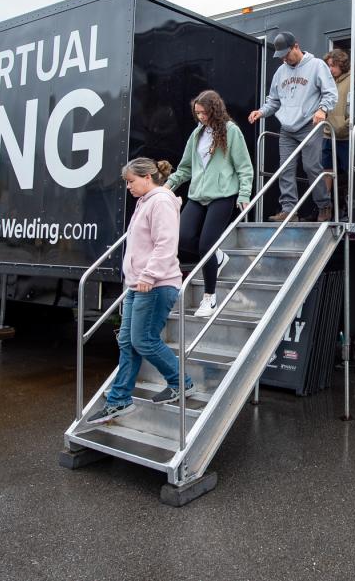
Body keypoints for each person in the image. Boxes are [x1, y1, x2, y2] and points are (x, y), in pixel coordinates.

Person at [89, 158, 192, 424]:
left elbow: (166, 244)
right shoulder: (145, 201)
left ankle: (181, 383)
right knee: (127, 341)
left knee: (143, 340)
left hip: (156, 284)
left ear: (148, 177)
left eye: (131, 181)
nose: (128, 187)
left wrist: (148, 274)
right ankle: (120, 399)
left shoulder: (160, 201)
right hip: (138, 284)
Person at [165, 90, 254, 318]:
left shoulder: (231, 131)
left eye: (204, 113)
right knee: (182, 238)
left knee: (206, 246)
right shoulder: (197, 134)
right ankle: (218, 256)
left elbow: (244, 166)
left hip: (223, 195)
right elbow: (185, 168)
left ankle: (210, 299)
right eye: (197, 113)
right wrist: (168, 186)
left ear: (214, 110)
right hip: (197, 194)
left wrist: (244, 194)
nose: (201, 117)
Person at [248, 31, 338, 222]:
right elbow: (273, 100)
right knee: (285, 168)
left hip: (309, 125)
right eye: (281, 56)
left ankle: (324, 206)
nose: (285, 59)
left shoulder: (316, 66)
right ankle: (289, 210)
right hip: (287, 128)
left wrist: (322, 109)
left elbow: (330, 93)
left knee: (311, 166)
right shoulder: (280, 72)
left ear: (296, 46)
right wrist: (261, 111)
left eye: (287, 54)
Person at [322, 49, 352, 210]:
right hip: (328, 133)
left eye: (333, 65)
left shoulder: (353, 79)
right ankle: (324, 206)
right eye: (328, 66)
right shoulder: (328, 82)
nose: (330, 69)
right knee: (326, 171)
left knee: (349, 173)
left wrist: (345, 125)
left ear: (342, 63)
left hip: (346, 135)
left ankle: (349, 207)